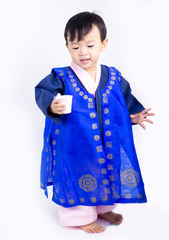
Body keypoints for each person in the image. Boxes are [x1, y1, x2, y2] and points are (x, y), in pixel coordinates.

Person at [35, 11, 155, 234]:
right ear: (67, 47)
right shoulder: (61, 76)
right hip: (74, 145)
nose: (83, 52)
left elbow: (124, 96)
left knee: (106, 171)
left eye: (90, 45)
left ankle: (101, 208)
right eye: (76, 46)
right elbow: (43, 91)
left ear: (103, 43)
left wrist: (135, 115)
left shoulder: (113, 75)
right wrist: (53, 105)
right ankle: (79, 217)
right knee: (77, 174)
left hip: (106, 142)